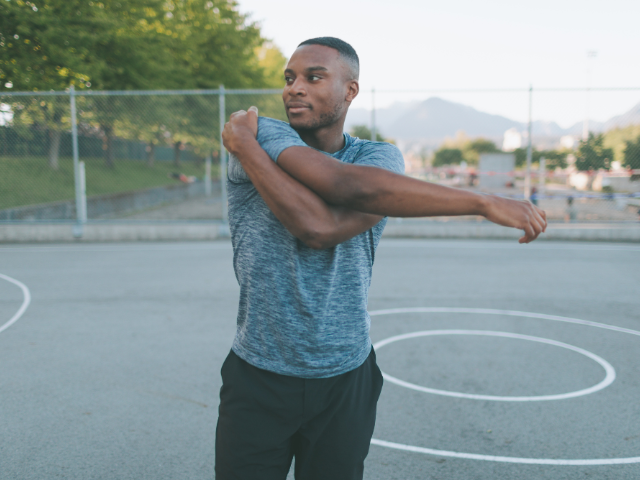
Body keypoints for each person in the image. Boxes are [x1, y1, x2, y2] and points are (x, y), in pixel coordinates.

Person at [217, 37, 547, 480]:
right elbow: (320, 218)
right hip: (259, 372)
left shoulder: (376, 160)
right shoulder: (263, 133)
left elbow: (334, 209)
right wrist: (248, 147)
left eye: (314, 77)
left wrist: (482, 201)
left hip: (346, 376)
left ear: (350, 91)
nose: (295, 88)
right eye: (290, 78)